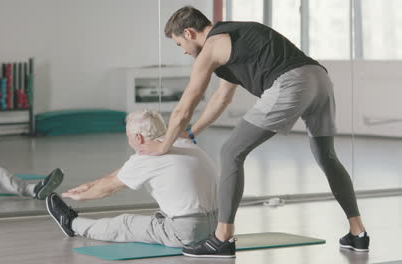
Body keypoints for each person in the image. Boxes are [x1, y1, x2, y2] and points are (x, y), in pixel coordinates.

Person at [138, 6, 369, 257]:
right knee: (327, 156)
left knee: (230, 153)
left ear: (189, 32)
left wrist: (163, 146)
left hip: (291, 82)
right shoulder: (235, 36)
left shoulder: (212, 47)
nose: (182, 50)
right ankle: (357, 233)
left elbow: (184, 107)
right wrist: (192, 133)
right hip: (318, 78)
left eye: (179, 43)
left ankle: (222, 238)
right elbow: (221, 98)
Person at [46, 109, 218, 248]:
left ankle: (70, 223)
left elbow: (110, 188)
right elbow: (125, 171)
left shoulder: (146, 159)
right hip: (217, 227)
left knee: (124, 224)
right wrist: (91, 184)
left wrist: (79, 196)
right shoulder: (183, 143)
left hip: (188, 232)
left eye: (128, 136)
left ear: (138, 138)